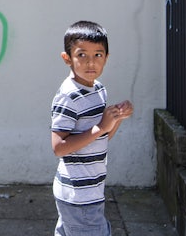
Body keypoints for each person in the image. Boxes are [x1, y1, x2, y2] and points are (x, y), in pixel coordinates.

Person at [50, 20, 134, 236]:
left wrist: (117, 118)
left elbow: (100, 137)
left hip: (91, 191)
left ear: (106, 57)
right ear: (67, 58)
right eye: (81, 55)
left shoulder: (98, 90)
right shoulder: (68, 96)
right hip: (78, 196)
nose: (90, 62)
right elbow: (58, 147)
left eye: (97, 55)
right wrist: (100, 127)